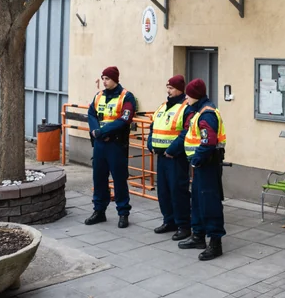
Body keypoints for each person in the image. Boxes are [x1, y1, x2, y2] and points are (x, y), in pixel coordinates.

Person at [177, 78, 227, 260]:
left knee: (209, 203)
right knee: (198, 201)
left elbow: (208, 142)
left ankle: (215, 243)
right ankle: (198, 236)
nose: (186, 98)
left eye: (188, 95)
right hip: (201, 165)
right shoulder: (199, 112)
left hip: (207, 164)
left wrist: (196, 160)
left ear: (196, 96)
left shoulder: (207, 114)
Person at [85, 66, 137, 228]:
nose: (104, 82)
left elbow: (125, 119)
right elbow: (91, 114)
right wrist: (96, 131)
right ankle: (99, 211)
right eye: (103, 78)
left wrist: (103, 131)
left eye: (107, 79)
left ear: (115, 79)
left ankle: (123, 213)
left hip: (116, 144)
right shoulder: (99, 95)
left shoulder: (126, 97)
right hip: (100, 144)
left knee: (119, 179)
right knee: (99, 178)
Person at [147, 75, 192, 241]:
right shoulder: (163, 106)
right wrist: (150, 143)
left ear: (179, 89)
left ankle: (184, 225)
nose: (168, 91)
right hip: (161, 156)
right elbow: (153, 127)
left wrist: (172, 150)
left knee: (178, 191)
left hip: (176, 157)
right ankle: (169, 221)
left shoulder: (186, 108)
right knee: (163, 191)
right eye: (167, 87)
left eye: (171, 88)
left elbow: (186, 132)